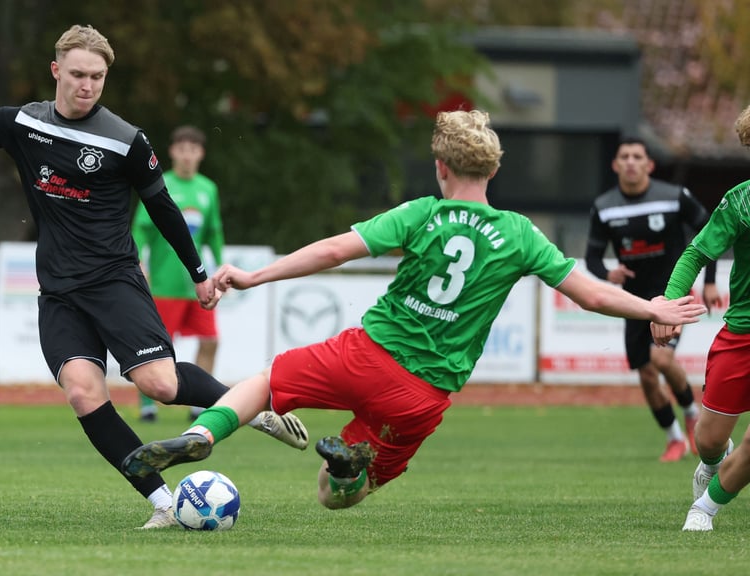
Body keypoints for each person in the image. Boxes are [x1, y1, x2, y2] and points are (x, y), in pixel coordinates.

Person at [0, 24, 306, 529]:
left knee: (158, 385)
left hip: (114, 280)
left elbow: (163, 208)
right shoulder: (24, 124)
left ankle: (249, 403)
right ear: (56, 71)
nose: (86, 85)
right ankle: (162, 503)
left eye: (96, 76)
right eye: (77, 74)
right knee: (82, 392)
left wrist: (199, 273)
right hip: (59, 291)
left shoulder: (126, 140)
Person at [121, 110, 708, 511]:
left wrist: (256, 274)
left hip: (363, 354)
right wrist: (650, 304)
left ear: (440, 167)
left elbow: (332, 251)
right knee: (333, 495)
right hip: (422, 397)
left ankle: (202, 432)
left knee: (265, 381)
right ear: (495, 170)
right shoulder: (521, 235)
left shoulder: (421, 214)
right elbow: (591, 292)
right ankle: (349, 468)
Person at [585, 137, 721, 462]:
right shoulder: (604, 207)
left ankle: (691, 415)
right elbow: (591, 259)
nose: (631, 162)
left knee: (661, 360)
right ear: (615, 165)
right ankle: (674, 438)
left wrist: (711, 283)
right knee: (646, 374)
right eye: (624, 157)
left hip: (672, 295)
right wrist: (607, 274)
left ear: (649, 164)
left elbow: (712, 233)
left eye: (637, 156)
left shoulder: (673, 197)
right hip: (634, 303)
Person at [652, 103, 750, 532]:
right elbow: (696, 253)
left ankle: (704, 509)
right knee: (708, 440)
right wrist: (670, 303)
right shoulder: (741, 201)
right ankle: (713, 461)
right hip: (743, 333)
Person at [132, 125, 224, 423]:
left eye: (193, 149)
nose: (187, 155)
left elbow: (214, 233)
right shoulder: (161, 183)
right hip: (164, 282)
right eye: (181, 149)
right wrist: (139, 261)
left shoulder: (208, 188)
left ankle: (200, 405)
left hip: (196, 283)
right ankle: (148, 405)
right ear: (172, 152)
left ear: (201, 154)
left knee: (210, 340)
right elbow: (141, 229)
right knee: (157, 346)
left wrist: (221, 267)